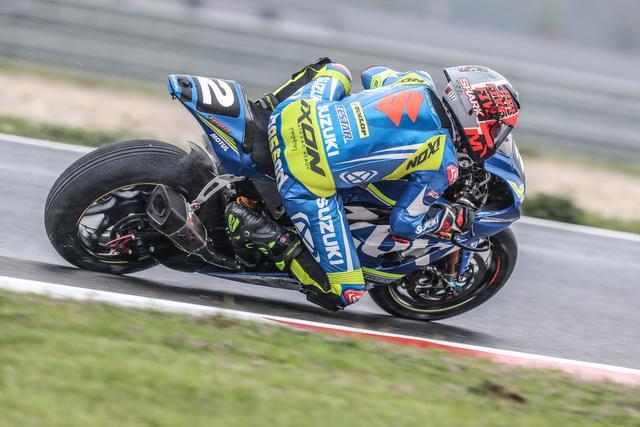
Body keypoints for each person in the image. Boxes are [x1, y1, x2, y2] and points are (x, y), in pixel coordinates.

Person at [226, 58, 520, 311]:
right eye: (497, 128)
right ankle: (258, 230)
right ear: (476, 119)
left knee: (336, 70)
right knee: (345, 291)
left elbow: (371, 73)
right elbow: (404, 225)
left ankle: (263, 109)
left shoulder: (417, 81)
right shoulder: (442, 162)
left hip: (295, 112)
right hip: (307, 172)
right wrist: (448, 219)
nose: (498, 136)